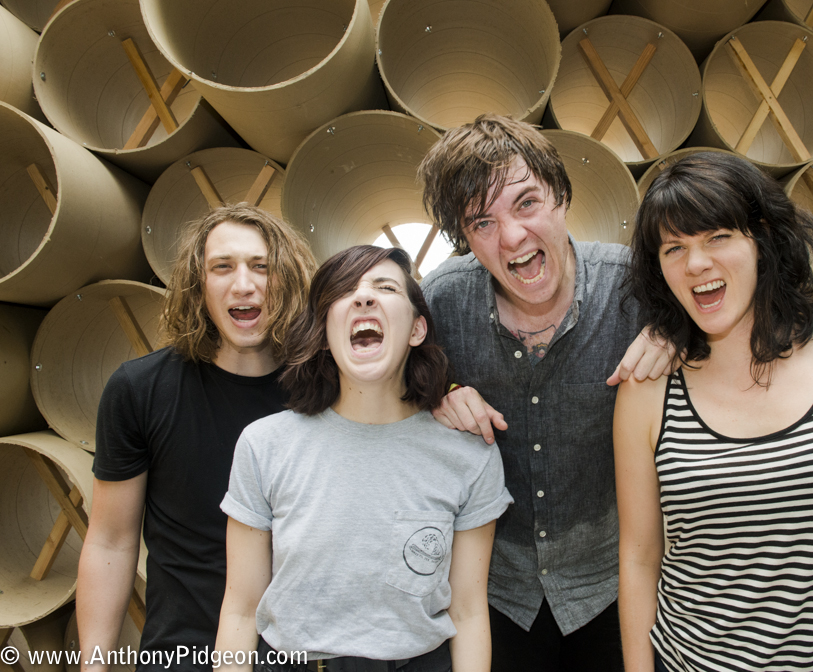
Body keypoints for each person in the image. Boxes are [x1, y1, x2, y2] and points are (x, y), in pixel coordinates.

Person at [615, 152, 813, 671]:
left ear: (762, 240)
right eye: (674, 248)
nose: (695, 263)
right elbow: (638, 558)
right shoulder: (649, 389)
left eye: (717, 237)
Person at [417, 114, 674, 671]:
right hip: (496, 593)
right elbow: (381, 393)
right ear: (465, 238)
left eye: (526, 203)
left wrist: (678, 337)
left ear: (560, 197)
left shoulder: (638, 288)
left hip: (612, 581)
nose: (511, 236)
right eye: (482, 221)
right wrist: (434, 397)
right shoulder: (439, 302)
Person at [214, 245, 511, 672]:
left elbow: (467, 612)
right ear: (322, 330)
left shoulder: (468, 453)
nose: (364, 297)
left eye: (385, 287)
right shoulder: (264, 446)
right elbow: (241, 610)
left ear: (416, 329)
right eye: (345, 290)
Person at [77, 204, 316, 672]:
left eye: (261, 266)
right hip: (183, 654)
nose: (243, 284)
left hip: (304, 654)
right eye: (222, 267)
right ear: (198, 285)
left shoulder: (327, 390)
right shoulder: (140, 390)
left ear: (288, 280)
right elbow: (109, 541)